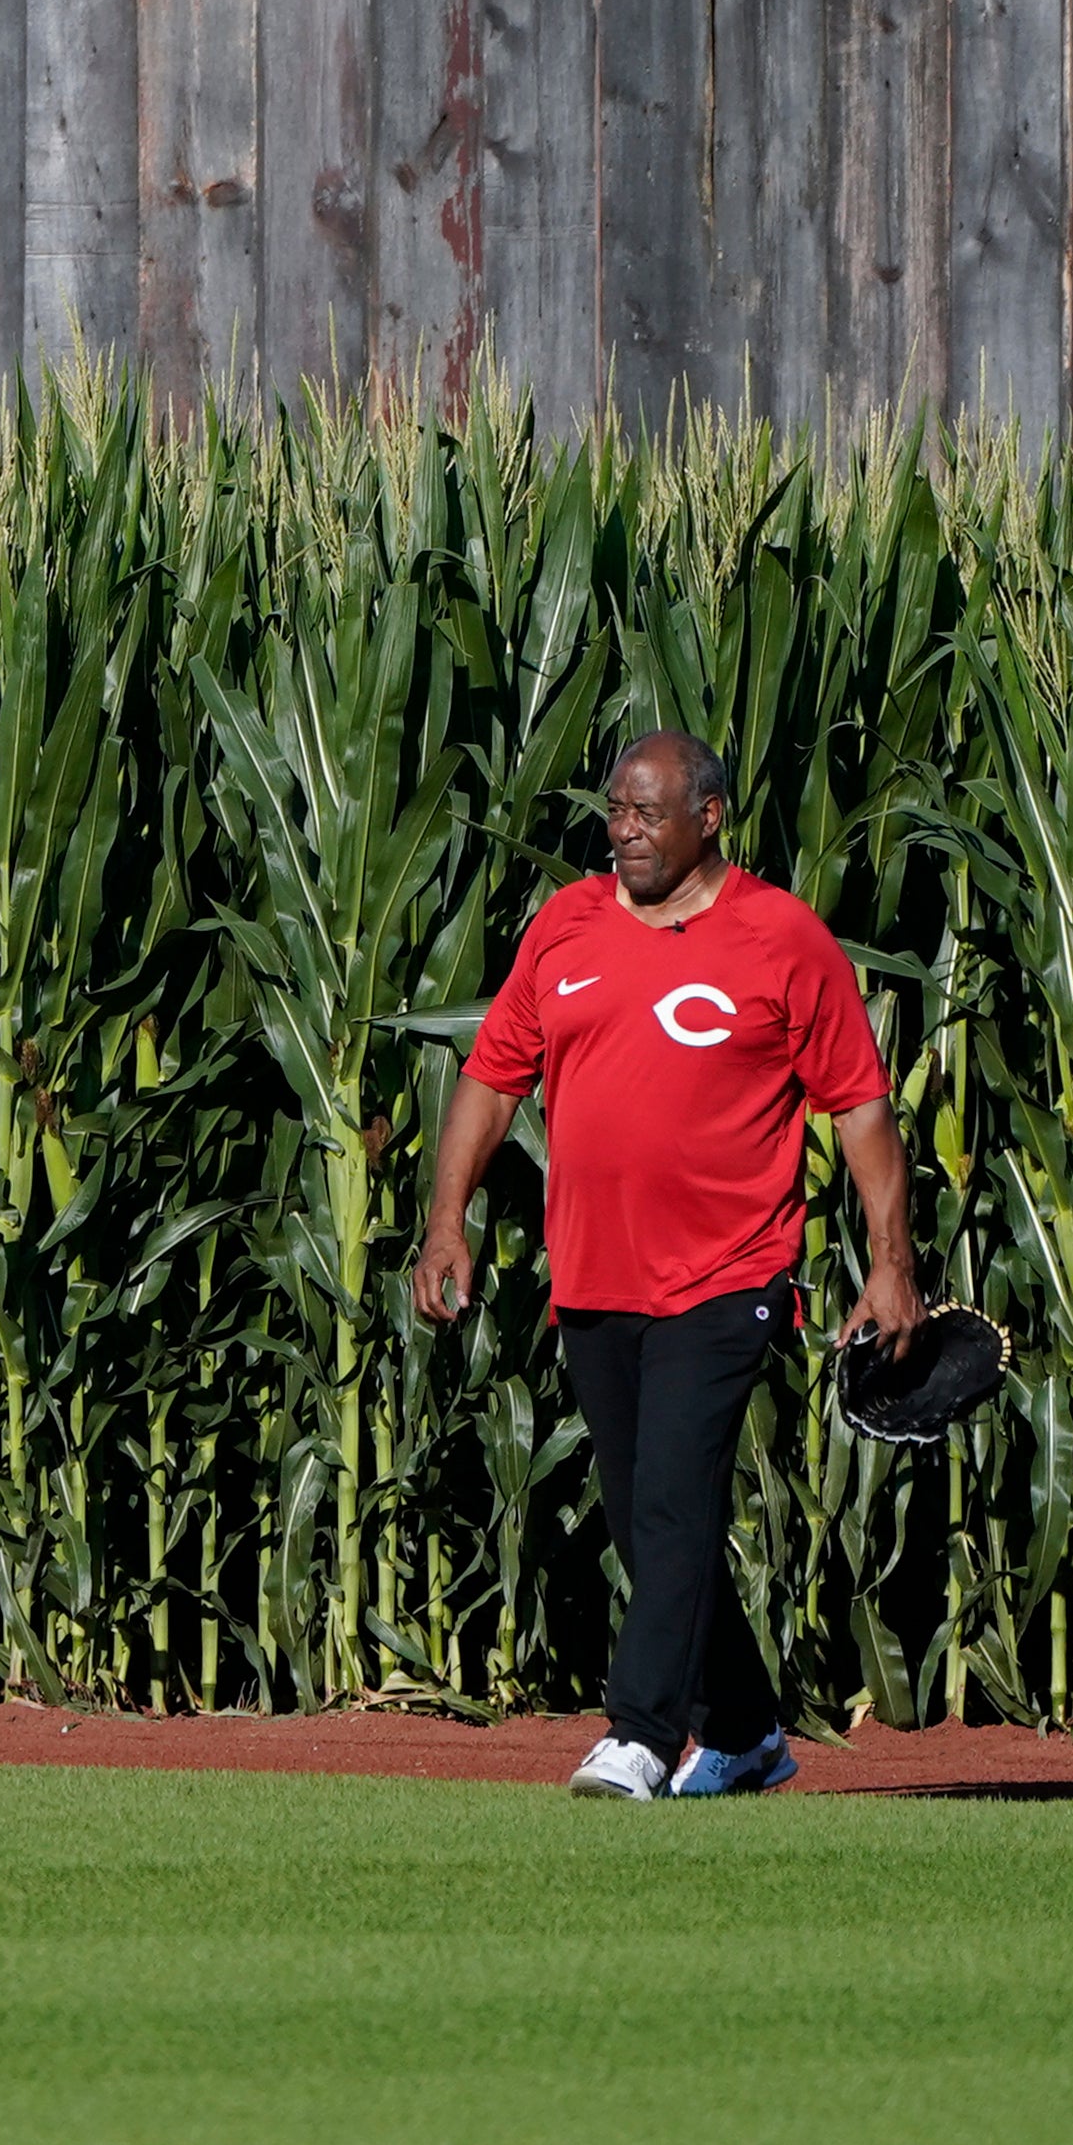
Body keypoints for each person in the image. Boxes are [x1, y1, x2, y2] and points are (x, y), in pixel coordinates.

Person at [411, 730, 918, 1802]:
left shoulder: (781, 938)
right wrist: (445, 1218)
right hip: (594, 1278)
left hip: (729, 1274)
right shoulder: (566, 924)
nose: (626, 829)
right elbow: (492, 1080)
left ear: (709, 816)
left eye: (648, 812)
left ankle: (639, 1735)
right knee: (648, 1520)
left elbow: (860, 1109)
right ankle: (744, 1729)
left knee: (674, 1505)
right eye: (616, 810)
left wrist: (890, 1263)